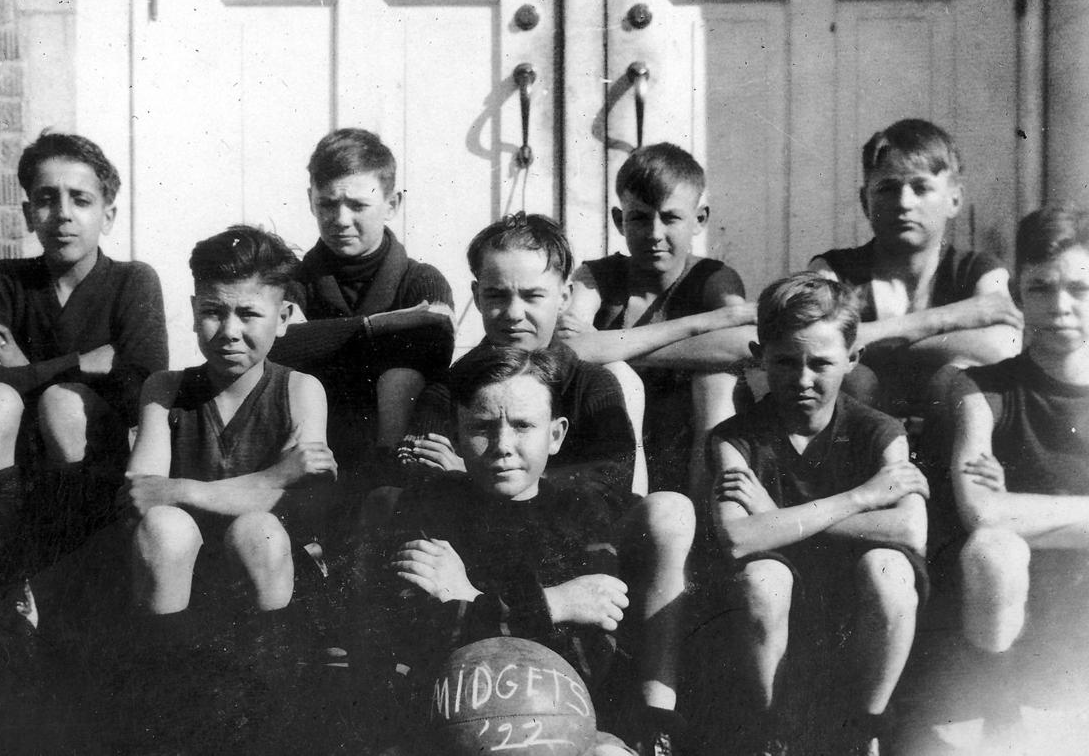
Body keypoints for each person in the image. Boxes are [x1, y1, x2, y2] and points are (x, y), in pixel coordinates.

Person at [395, 214, 696, 756]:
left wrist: (480, 468)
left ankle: (656, 721)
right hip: (490, 564)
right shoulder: (455, 389)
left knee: (667, 512)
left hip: (565, 546)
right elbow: (423, 477)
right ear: (476, 296)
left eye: (532, 295)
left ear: (565, 294)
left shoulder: (592, 384)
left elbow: (606, 485)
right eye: (497, 295)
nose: (513, 314)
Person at [366, 345, 635, 756]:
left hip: (556, 727)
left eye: (524, 425)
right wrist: (555, 603)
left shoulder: (581, 511)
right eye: (482, 427)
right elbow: (418, 633)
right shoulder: (429, 502)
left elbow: (587, 658)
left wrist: (468, 598)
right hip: (446, 728)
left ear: (557, 434)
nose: (502, 445)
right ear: (457, 433)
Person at [711, 273, 929, 754]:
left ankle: (866, 733)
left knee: (889, 567)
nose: (804, 379)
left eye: (822, 363)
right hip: (771, 611)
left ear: (852, 359)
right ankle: (770, 736)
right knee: (762, 577)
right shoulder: (735, 439)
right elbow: (738, 539)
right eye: (786, 362)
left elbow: (911, 529)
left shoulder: (883, 433)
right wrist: (860, 499)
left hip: (856, 602)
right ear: (758, 355)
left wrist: (779, 520)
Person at [0, 130, 167, 587]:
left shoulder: (132, 281)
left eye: (80, 200)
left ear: (107, 215)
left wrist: (21, 370)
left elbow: (142, 384)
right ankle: (3, 589)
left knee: (63, 404)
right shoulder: (9, 280)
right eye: (47, 198)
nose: (63, 214)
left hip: (89, 466)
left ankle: (73, 584)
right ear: (30, 213)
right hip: (9, 461)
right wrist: (79, 362)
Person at [120, 224, 336, 643]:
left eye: (249, 313)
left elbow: (300, 498)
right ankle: (164, 682)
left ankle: (271, 690)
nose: (229, 331)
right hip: (178, 571)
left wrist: (178, 489)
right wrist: (274, 477)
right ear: (194, 308)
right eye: (213, 311)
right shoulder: (165, 389)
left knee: (259, 529)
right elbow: (143, 495)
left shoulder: (300, 390)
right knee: (165, 527)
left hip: (271, 574)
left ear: (284, 317)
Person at [945, 203, 1089, 734]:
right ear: (1018, 296)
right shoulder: (985, 390)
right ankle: (1001, 719)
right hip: (1021, 597)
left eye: (1080, 289)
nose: (1060, 308)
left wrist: (1019, 509)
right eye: (1040, 290)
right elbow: (983, 514)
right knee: (992, 550)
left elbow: (1005, 509)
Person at [558, 142, 756, 499]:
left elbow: (745, 346)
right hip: (612, 432)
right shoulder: (597, 276)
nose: (654, 233)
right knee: (617, 375)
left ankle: (708, 522)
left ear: (700, 220)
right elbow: (570, 348)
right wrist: (702, 324)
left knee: (715, 380)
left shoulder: (713, 278)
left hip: (689, 436)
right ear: (619, 220)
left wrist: (612, 346)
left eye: (670, 217)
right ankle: (625, 512)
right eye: (639, 217)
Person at [267, 127, 454, 494]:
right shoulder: (291, 282)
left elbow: (434, 343)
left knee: (402, 374)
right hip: (310, 458)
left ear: (392, 204)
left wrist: (321, 343)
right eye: (327, 203)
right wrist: (380, 327)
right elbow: (276, 345)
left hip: (395, 462)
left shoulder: (422, 280)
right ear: (310, 200)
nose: (339, 219)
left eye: (357, 205)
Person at [809, 118, 1022, 416]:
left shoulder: (979, 270)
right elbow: (814, 345)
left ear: (954, 199)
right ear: (864, 201)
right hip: (856, 444)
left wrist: (866, 343)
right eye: (887, 188)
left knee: (952, 381)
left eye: (921, 188)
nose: (904, 202)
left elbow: (1003, 347)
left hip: (948, 441)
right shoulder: (834, 270)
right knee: (855, 381)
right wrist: (944, 320)